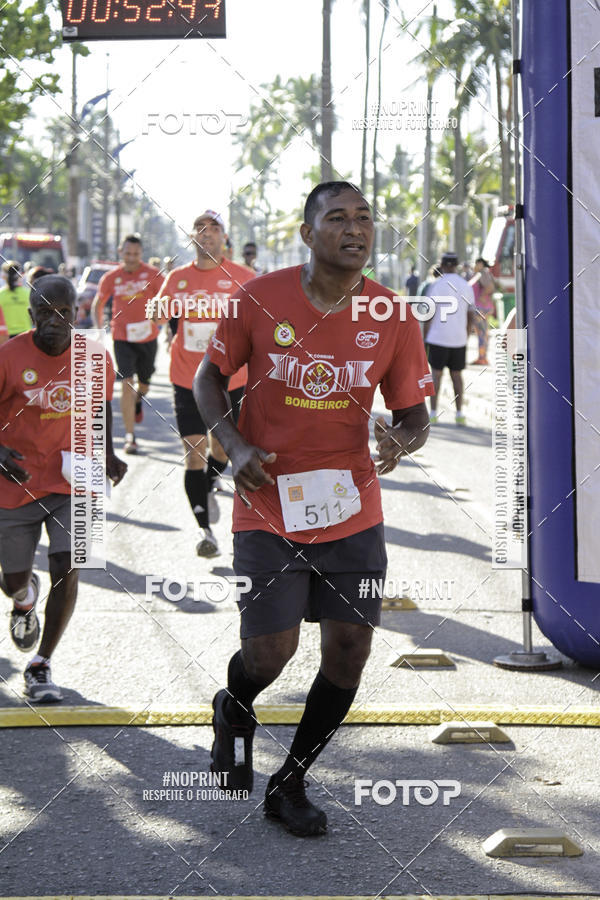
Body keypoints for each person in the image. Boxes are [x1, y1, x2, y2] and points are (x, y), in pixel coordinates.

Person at [194, 181, 433, 836]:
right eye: (337, 218)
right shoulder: (259, 299)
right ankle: (234, 703)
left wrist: (402, 439)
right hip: (268, 502)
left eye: (364, 217)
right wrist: (234, 445)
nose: (355, 229)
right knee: (269, 653)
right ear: (307, 233)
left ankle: (290, 781)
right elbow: (207, 377)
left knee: (350, 648)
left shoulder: (392, 314)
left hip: (351, 506)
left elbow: (415, 415)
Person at [0, 275, 127, 702]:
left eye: (64, 312)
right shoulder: (8, 357)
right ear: (31, 314)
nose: (55, 321)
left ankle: (41, 664)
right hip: (16, 480)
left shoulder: (94, 355)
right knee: (13, 578)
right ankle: (23, 601)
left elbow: (101, 406)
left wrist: (108, 453)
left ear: (77, 313)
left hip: (74, 478)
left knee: (69, 565)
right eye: (45, 313)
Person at [153, 211, 254, 557]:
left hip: (231, 379)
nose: (206, 234)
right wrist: (155, 308)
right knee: (193, 453)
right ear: (192, 238)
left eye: (213, 229)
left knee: (222, 450)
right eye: (199, 228)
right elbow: (159, 314)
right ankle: (205, 530)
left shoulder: (244, 277)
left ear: (224, 237)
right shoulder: (178, 278)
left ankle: (211, 482)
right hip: (186, 378)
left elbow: (262, 323)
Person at [92, 235, 163, 454]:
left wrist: (164, 323)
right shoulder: (112, 277)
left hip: (148, 337)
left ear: (141, 254)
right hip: (122, 336)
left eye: (136, 254)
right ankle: (130, 437)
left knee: (144, 384)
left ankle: (138, 400)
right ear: (120, 251)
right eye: (127, 253)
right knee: (126, 383)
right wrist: (98, 330)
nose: (131, 258)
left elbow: (167, 301)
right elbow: (98, 303)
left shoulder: (153, 275)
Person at [423, 251, 476, 426]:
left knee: (436, 376)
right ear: (457, 266)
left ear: (443, 266)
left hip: (437, 337)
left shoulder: (436, 285)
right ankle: (459, 414)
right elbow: (471, 315)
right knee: (457, 376)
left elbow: (428, 315)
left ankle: (432, 413)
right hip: (458, 338)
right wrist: (466, 334)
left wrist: (424, 338)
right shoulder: (466, 286)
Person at [469, 256, 496, 365]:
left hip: (481, 308)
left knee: (481, 332)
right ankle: (482, 356)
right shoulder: (482, 273)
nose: (474, 266)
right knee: (482, 332)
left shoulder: (482, 273)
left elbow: (490, 287)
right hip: (482, 307)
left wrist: (482, 297)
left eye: (476, 263)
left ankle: (482, 358)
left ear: (480, 264)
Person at [0, 261, 31, 338]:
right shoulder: (28, 293)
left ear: (3, 276)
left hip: (5, 337)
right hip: (25, 334)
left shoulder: (1, 294)